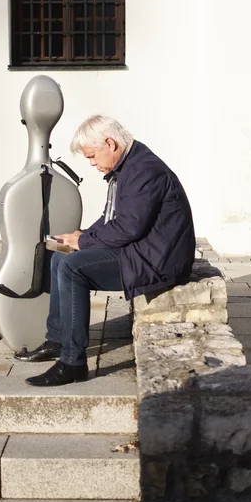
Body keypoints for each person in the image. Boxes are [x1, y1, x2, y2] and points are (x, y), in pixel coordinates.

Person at [16, 115, 196, 386]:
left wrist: (85, 243)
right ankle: (57, 340)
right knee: (60, 258)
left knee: (72, 267)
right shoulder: (129, 166)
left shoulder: (142, 171)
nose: (91, 164)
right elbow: (113, 218)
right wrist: (82, 236)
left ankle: (72, 362)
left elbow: (128, 228)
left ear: (109, 143)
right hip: (143, 250)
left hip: (156, 260)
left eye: (91, 156)